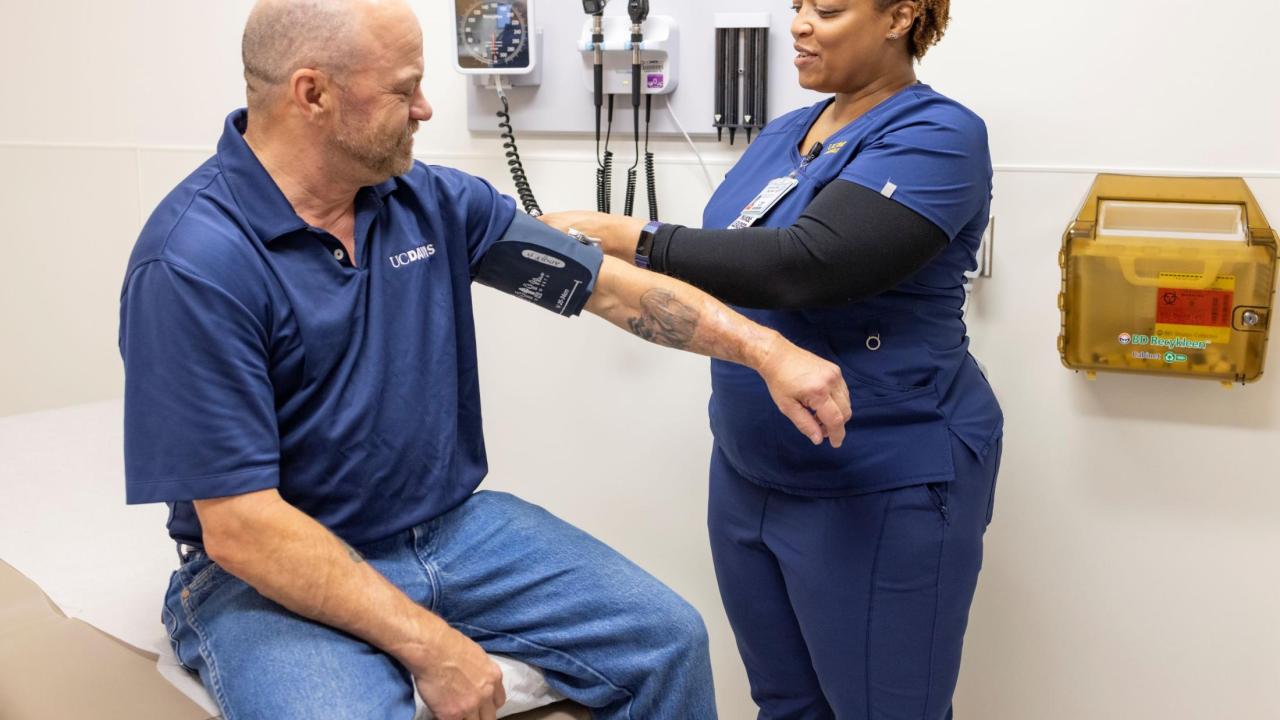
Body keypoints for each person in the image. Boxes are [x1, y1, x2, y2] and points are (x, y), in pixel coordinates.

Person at [117, 2, 853, 719]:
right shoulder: (195, 262)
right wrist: (434, 648)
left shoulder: (426, 202)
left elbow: (605, 289)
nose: (427, 108)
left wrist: (767, 350)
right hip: (270, 572)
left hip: (448, 530)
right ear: (313, 94)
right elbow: (241, 527)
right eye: (404, 89)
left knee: (669, 640)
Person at [540, 1, 1003, 717]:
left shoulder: (940, 134)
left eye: (827, 8)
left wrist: (624, 233)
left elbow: (803, 265)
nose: (799, 25)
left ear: (900, 15)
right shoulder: (789, 132)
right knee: (785, 704)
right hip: (750, 474)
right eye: (796, 6)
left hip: (879, 481)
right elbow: (726, 262)